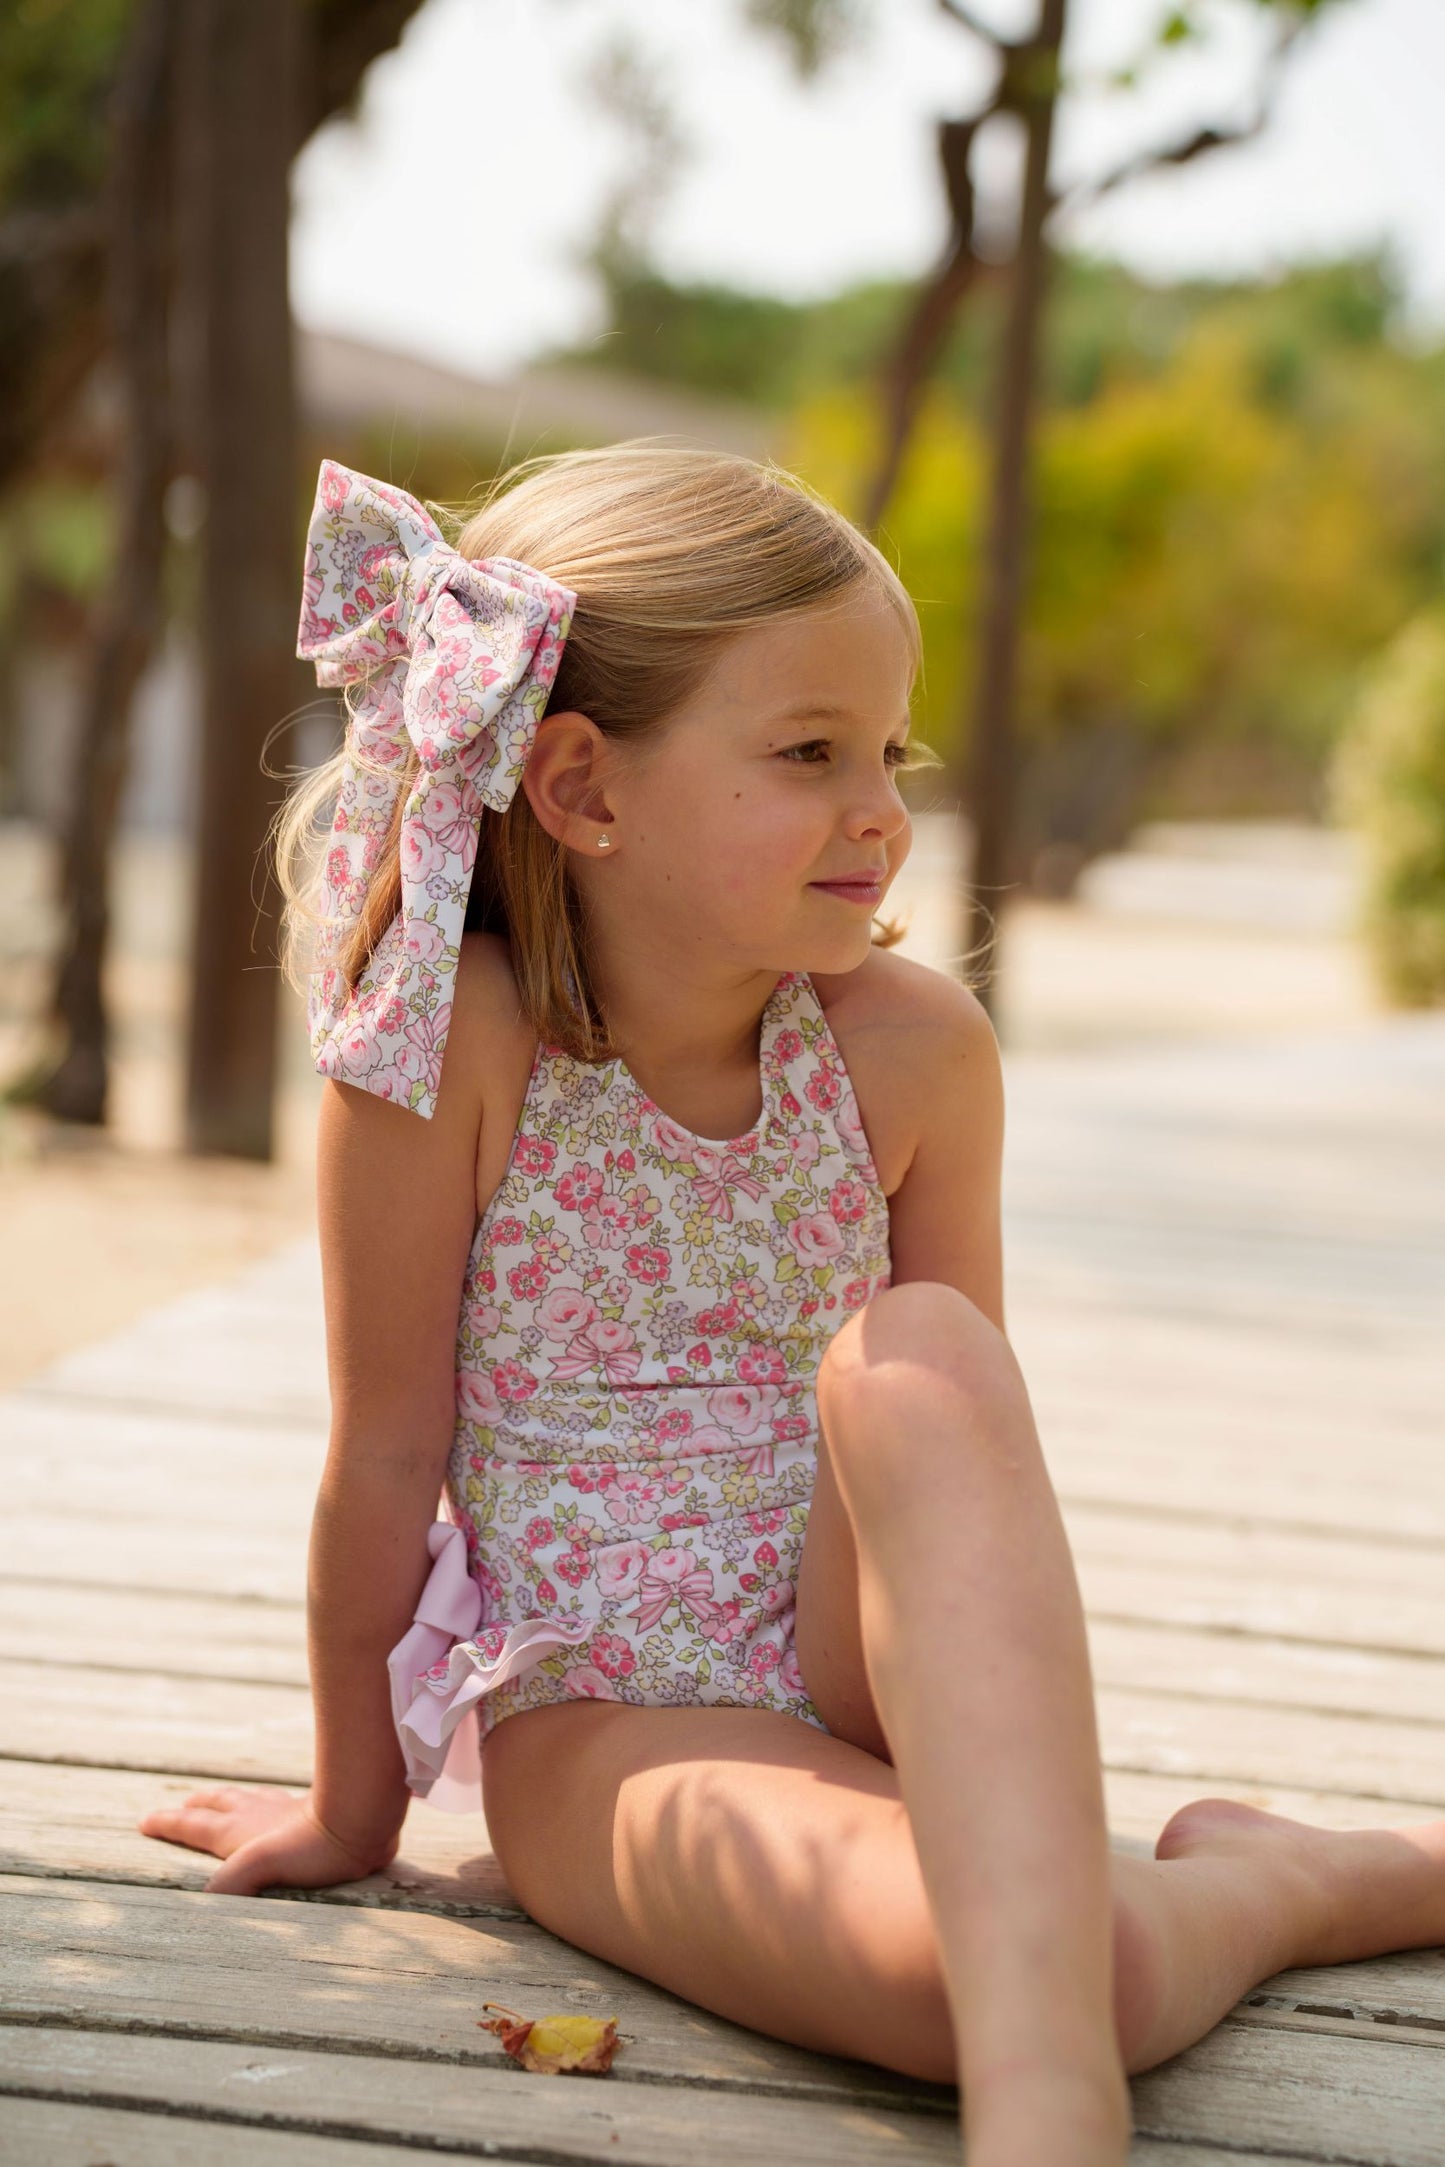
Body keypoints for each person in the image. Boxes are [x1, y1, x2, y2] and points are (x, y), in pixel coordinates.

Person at [138, 446, 1445, 2167]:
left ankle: (1050, 2101)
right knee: (1015, 1974)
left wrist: (940, 1713)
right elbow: (383, 1453)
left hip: (868, 1649)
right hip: (610, 1702)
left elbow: (970, 1476)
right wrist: (352, 1808)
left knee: (921, 1355)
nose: (883, 812)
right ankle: (1265, 1893)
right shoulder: (448, 1050)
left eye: (886, 755)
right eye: (808, 754)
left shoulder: (910, 1051)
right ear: (583, 788)